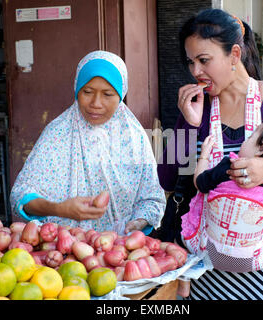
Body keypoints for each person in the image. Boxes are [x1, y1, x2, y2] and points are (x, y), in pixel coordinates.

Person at [157, 9, 263, 300]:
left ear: (234, 54)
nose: (195, 71)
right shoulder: (196, 108)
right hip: (206, 276)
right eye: (190, 62)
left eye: (204, 60)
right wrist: (188, 122)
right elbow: (167, 177)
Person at [10, 50, 166, 234]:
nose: (96, 103)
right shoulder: (57, 134)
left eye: (107, 94)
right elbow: (20, 195)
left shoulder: (134, 137)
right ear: (77, 90)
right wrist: (58, 209)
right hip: (62, 249)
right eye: (88, 91)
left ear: (121, 94)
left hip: (121, 251)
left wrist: (139, 222)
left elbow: (152, 199)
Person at [180, 119, 263, 300]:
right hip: (253, 257)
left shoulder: (227, 166)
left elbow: (200, 184)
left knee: (183, 231)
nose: (243, 142)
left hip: (208, 250)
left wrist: (204, 157)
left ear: (261, 147)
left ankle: (185, 281)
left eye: (249, 139)